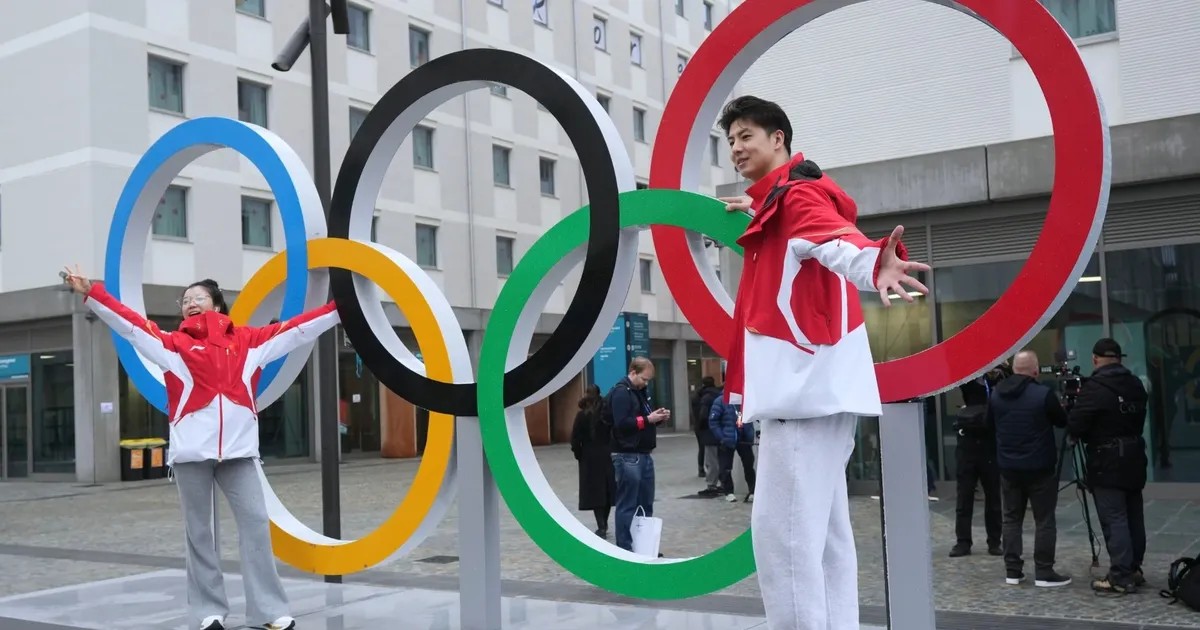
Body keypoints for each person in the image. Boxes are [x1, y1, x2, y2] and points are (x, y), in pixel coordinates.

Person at [716, 95, 929, 629]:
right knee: (826, 541)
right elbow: (812, 235)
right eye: (731, 140)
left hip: (801, 398)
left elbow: (835, 240)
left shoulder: (797, 198)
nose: (736, 148)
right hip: (816, 396)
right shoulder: (787, 198)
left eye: (746, 136)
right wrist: (758, 205)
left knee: (783, 543)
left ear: (778, 138)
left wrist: (873, 263)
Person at [63, 265, 340, 630]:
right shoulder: (172, 345)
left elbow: (297, 330)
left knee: (256, 524)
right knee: (199, 533)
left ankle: (269, 611)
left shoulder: (249, 342)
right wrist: (92, 293)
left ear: (218, 305)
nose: (191, 303)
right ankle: (208, 611)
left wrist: (339, 310)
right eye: (186, 300)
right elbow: (129, 324)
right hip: (192, 456)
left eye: (199, 297)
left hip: (239, 455)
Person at [1067, 338, 1150, 593]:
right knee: (1134, 516)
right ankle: (1134, 568)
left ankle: (1120, 576)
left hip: (1107, 459)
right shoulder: (1135, 383)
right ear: (1119, 358)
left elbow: (1076, 425)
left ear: (1094, 359)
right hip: (1135, 456)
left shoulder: (1094, 388)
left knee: (1114, 518)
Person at [987, 349, 1071, 588]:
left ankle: (1013, 571)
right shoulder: (1043, 394)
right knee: (1044, 519)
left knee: (1011, 519)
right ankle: (1044, 571)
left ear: (1014, 369)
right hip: (1039, 467)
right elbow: (1062, 421)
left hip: (1009, 467)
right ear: (1035, 371)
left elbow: (989, 425)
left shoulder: (996, 394)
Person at [607, 357, 670, 552]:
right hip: (627, 454)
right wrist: (648, 419)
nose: (646, 383)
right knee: (628, 504)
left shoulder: (640, 392)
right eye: (644, 379)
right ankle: (625, 548)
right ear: (633, 372)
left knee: (645, 503)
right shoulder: (621, 392)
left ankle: (644, 546)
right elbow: (622, 424)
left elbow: (642, 419)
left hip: (643, 453)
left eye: (648, 380)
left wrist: (657, 418)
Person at [949, 364, 1006, 558]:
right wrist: (978, 370)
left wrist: (1000, 370)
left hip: (990, 444)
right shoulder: (970, 379)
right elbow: (960, 376)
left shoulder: (1000, 379)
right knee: (964, 496)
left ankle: (995, 541)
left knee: (993, 496)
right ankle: (963, 541)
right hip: (968, 444)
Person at [570, 384, 616, 539]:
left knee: (596, 493)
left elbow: (575, 439)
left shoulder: (582, 415)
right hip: (605, 454)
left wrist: (579, 454)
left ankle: (601, 525)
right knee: (606, 491)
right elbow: (613, 432)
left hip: (589, 457)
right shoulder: (606, 413)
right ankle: (604, 524)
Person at [709, 384, 756, 503]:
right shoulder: (721, 401)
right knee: (725, 467)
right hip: (727, 439)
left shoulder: (744, 400)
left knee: (749, 465)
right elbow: (713, 421)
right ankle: (728, 491)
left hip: (744, 439)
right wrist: (722, 437)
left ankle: (752, 491)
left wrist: (750, 434)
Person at [691, 376, 722, 496]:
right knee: (720, 458)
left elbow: (703, 416)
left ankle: (711, 484)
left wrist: (699, 427)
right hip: (720, 432)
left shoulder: (705, 397)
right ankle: (723, 483)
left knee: (710, 458)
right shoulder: (719, 395)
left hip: (708, 432)